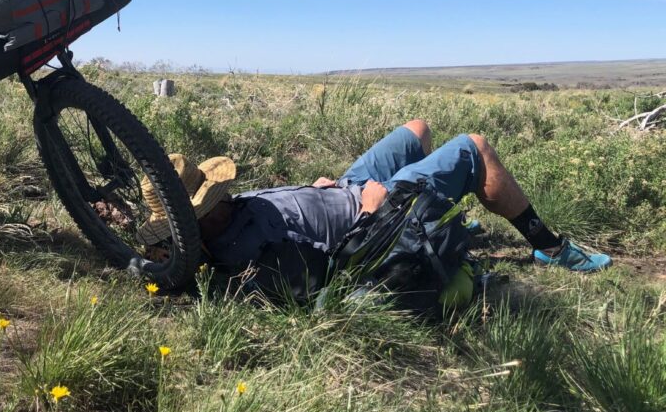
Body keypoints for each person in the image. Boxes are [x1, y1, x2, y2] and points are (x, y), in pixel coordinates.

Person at [143, 120, 611, 287]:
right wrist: (371, 213)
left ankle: (435, 219)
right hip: (374, 214)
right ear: (197, 220)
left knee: (418, 129)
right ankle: (547, 244)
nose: (219, 198)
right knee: (474, 146)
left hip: (342, 189)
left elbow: (286, 214)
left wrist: (314, 191)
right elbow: (325, 278)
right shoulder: (247, 256)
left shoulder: (226, 219)